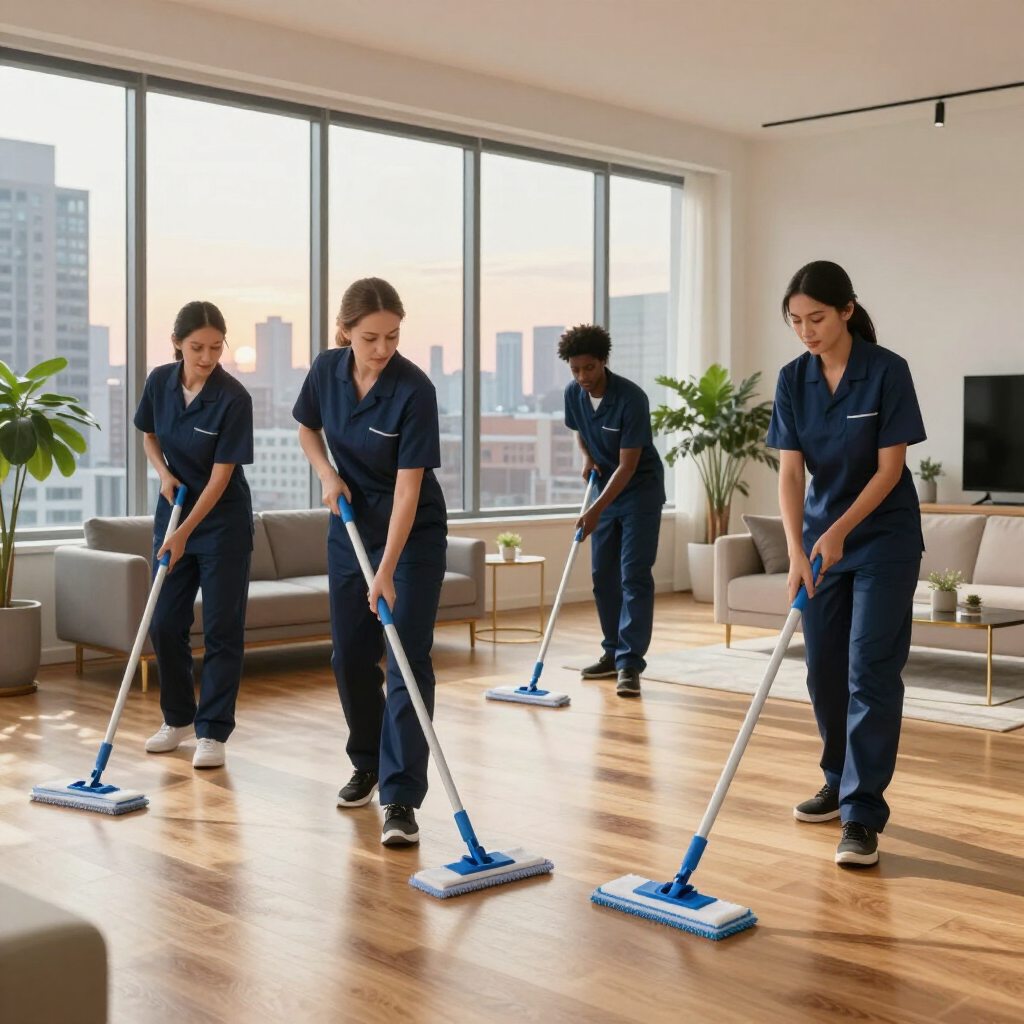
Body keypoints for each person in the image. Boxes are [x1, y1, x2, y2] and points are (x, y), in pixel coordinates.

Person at [768, 260, 926, 867]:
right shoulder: (792, 379)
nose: (806, 331)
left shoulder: (887, 372)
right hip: (819, 544)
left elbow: (889, 471)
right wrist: (796, 550)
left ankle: (862, 814)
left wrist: (836, 531)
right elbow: (789, 472)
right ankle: (836, 778)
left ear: (846, 311)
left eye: (816, 318)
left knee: (870, 670)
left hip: (882, 537)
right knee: (824, 671)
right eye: (795, 321)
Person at [293, 278, 446, 847]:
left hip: (412, 535)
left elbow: (409, 491)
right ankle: (368, 760)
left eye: (393, 337)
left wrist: (386, 570)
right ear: (345, 332)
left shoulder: (414, 389)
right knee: (350, 655)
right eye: (370, 338)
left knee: (405, 656)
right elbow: (307, 427)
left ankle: (401, 796)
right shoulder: (325, 369)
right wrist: (327, 474)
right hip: (351, 522)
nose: (383, 349)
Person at [135, 300, 255, 769]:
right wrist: (163, 474)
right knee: (165, 621)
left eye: (216, 347)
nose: (207, 357)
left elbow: (222, 476)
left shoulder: (233, 397)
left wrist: (184, 532)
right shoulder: (159, 383)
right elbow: (148, 434)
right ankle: (178, 718)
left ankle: (213, 731)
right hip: (172, 512)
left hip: (220, 523)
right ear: (177, 345)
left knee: (223, 629)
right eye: (197, 347)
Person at [559, 324, 666, 698]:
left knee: (633, 575)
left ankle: (630, 663)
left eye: (589, 368)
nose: (582, 377)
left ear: (603, 361)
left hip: (639, 492)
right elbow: (580, 430)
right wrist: (587, 457)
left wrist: (593, 511)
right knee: (602, 576)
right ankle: (611, 653)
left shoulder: (631, 398)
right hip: (606, 489)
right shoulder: (573, 393)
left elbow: (628, 466)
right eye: (575, 369)